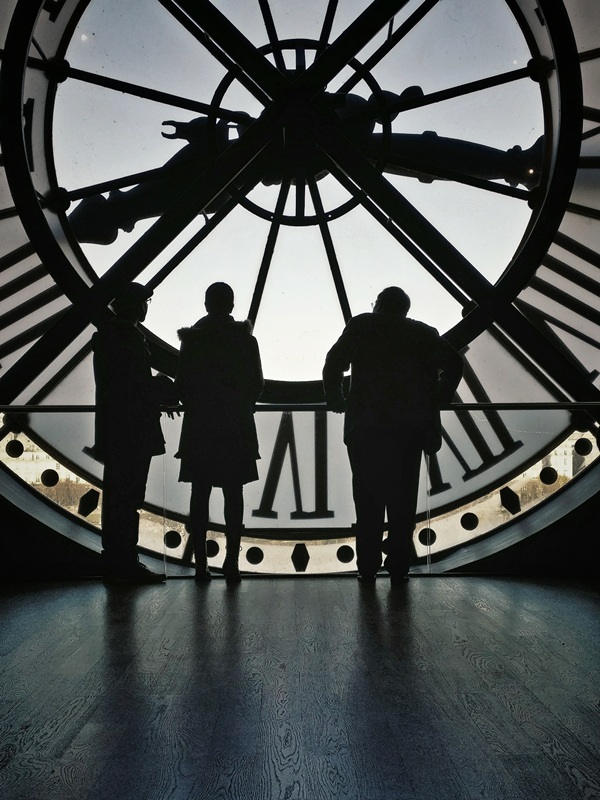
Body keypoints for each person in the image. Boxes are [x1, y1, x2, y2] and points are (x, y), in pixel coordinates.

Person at [323, 286, 463, 583]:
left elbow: (333, 362)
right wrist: (439, 395)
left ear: (379, 305)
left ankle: (368, 566)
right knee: (402, 503)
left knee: (367, 500)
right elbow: (454, 364)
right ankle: (398, 564)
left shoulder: (361, 326)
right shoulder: (424, 334)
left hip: (366, 427)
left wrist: (337, 399)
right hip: (408, 430)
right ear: (405, 309)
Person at [175, 282, 264, 583]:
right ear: (232, 305)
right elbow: (256, 385)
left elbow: (183, 385)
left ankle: (202, 564)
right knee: (233, 496)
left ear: (206, 304)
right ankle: (232, 562)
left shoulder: (193, 341)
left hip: (200, 427)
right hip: (235, 427)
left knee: (200, 495)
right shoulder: (245, 341)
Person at [93, 282, 177, 583]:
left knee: (120, 497)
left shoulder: (110, 337)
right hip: (134, 432)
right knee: (129, 497)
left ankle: (119, 561)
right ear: (138, 306)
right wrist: (162, 387)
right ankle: (125, 562)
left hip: (119, 431)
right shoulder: (128, 339)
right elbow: (137, 388)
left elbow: (123, 388)